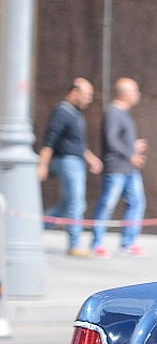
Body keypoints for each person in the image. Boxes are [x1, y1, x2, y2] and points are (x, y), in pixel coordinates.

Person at [36, 78, 103, 256]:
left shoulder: (75, 113)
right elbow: (50, 139)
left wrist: (90, 158)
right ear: (74, 92)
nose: (88, 99)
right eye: (86, 95)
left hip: (75, 160)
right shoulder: (62, 111)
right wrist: (42, 164)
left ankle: (33, 230)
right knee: (76, 203)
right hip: (67, 161)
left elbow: (77, 144)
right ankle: (74, 244)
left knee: (67, 205)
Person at [90, 78, 148, 258]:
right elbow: (111, 140)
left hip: (129, 169)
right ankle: (96, 243)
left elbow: (119, 140)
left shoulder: (124, 113)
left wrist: (134, 147)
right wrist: (131, 154)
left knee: (137, 202)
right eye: (135, 91)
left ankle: (128, 243)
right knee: (107, 204)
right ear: (124, 93)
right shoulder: (112, 112)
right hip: (116, 168)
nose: (138, 95)